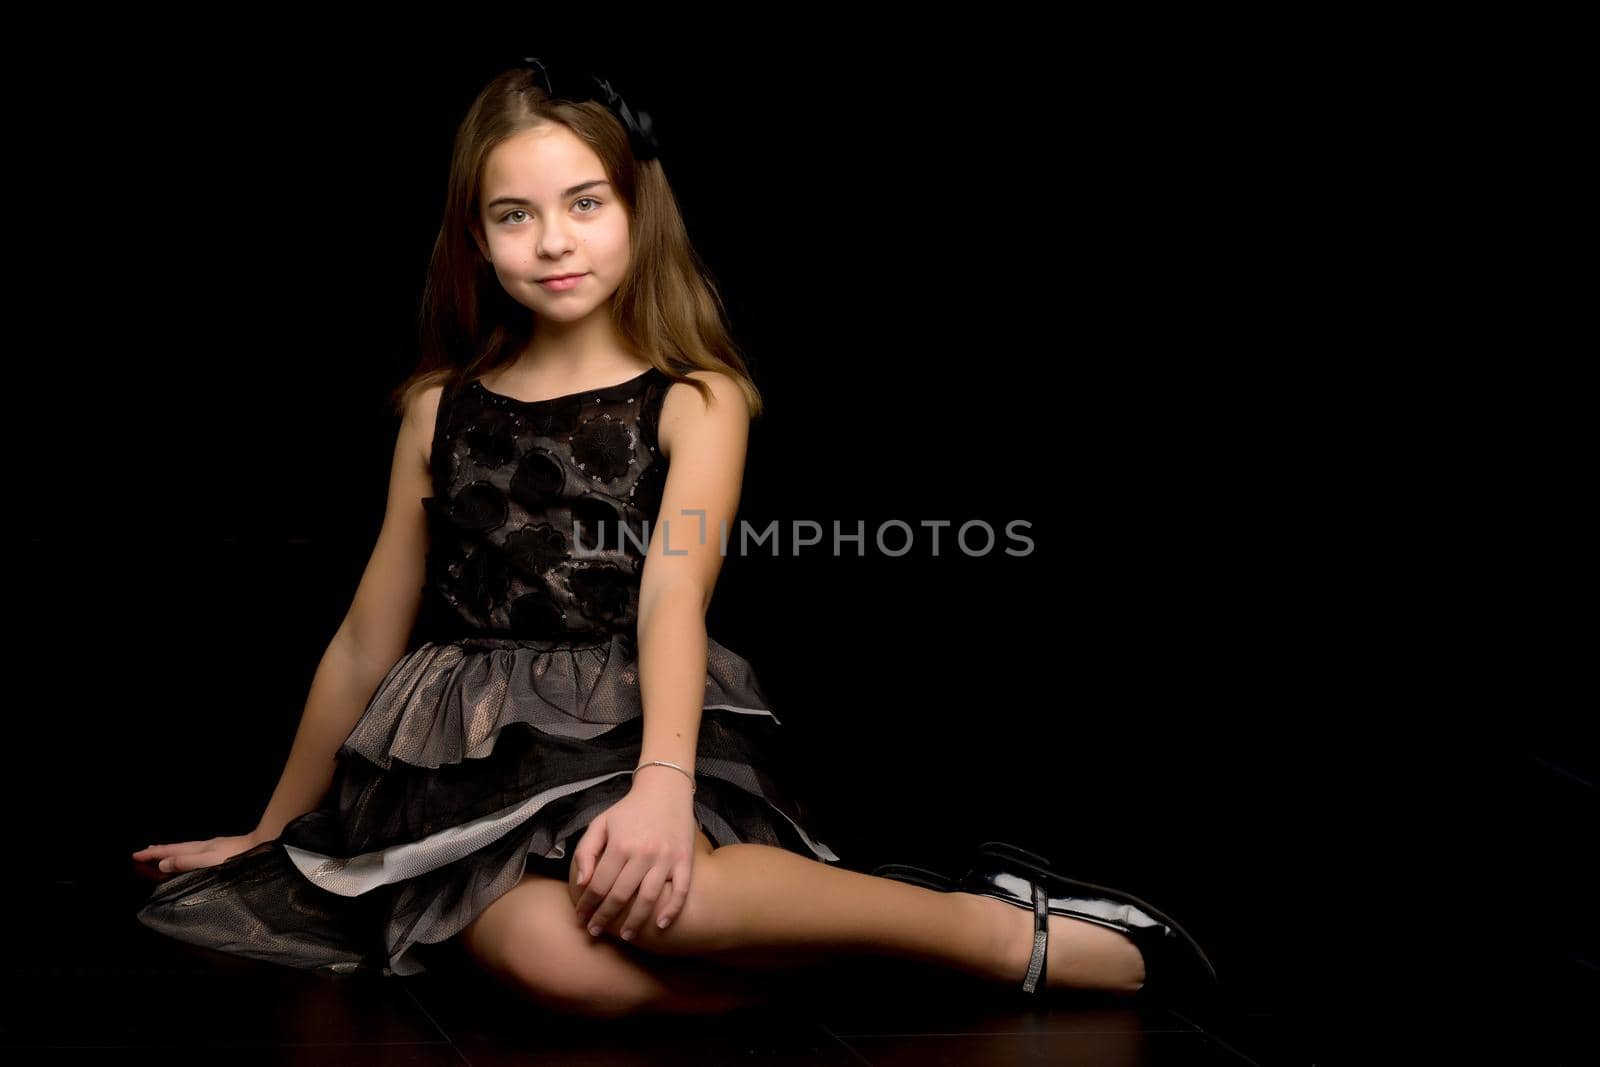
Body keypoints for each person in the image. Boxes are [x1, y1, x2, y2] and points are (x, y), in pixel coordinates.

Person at [131, 57, 1212, 1019]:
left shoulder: (696, 398)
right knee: (565, 969)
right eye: (514, 215)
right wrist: (274, 827)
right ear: (474, 234)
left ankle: (991, 930)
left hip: (627, 720)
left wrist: (658, 785)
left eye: (584, 202)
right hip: (459, 752)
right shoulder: (438, 407)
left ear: (638, 206)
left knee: (666, 898)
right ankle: (879, 961)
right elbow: (368, 637)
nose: (553, 240)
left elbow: (670, 599)